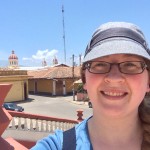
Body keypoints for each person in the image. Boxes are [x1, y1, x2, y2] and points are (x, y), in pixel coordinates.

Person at [31, 22, 150, 150]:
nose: (114, 78)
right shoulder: (56, 146)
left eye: (130, 65)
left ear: (148, 81)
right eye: (100, 64)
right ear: (85, 80)